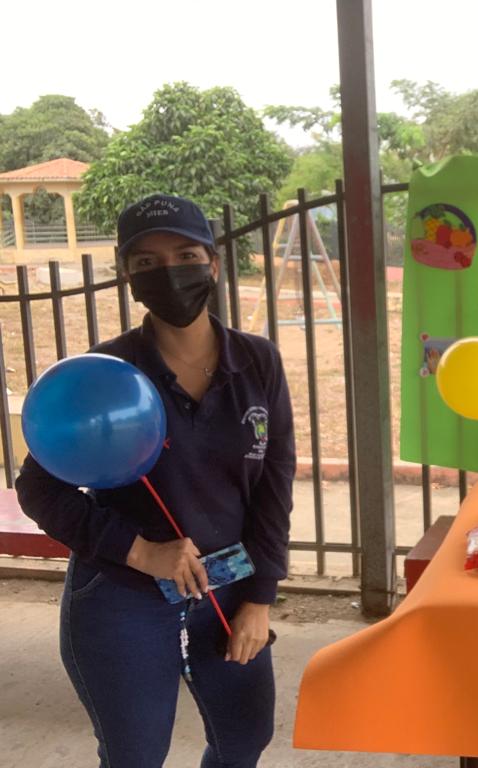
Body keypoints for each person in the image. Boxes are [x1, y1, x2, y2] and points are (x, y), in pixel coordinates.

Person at [16, 194, 296, 767]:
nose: (169, 272)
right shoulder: (104, 375)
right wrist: (141, 551)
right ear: (128, 276)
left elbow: (275, 481)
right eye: (147, 262)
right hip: (123, 597)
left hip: (229, 588)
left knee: (244, 740)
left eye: (186, 255)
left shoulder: (258, 361)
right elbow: (39, 488)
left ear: (213, 263)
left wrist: (260, 598)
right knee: (136, 755)